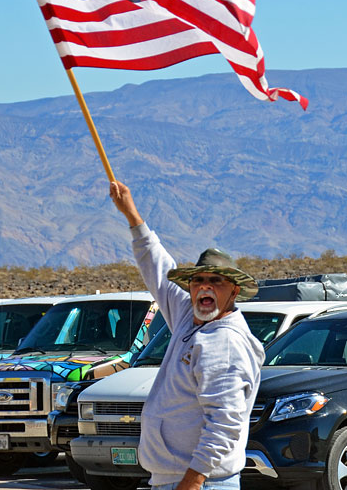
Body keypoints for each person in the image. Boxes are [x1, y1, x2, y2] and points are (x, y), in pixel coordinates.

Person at [109, 180, 264, 490]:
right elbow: (158, 269)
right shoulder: (189, 318)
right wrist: (132, 216)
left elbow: (225, 422)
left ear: (233, 291)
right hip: (174, 480)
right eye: (198, 280)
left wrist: (193, 481)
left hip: (201, 483)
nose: (204, 286)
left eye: (215, 281)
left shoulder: (226, 343)